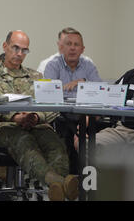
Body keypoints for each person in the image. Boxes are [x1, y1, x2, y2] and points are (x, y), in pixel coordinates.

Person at [0, 30, 78, 201]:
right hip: (5, 128)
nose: (20, 54)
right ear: (5, 46)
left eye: (24, 50)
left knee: (56, 146)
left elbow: (52, 105)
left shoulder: (35, 76)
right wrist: (14, 117)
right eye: (15, 48)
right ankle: (60, 183)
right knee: (25, 142)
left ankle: (57, 192)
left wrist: (36, 116)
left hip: (37, 124)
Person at [75, 36, 134, 155]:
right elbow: (105, 100)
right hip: (122, 129)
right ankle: (99, 174)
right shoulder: (132, 74)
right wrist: (80, 128)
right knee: (84, 144)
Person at [44, 27, 102, 174]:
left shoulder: (88, 65)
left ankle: (88, 177)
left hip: (86, 113)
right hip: (62, 113)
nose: (72, 48)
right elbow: (48, 94)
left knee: (97, 126)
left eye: (76, 45)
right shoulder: (52, 65)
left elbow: (100, 91)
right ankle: (71, 177)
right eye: (69, 44)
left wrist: (81, 81)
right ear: (61, 47)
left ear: (82, 49)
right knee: (68, 129)